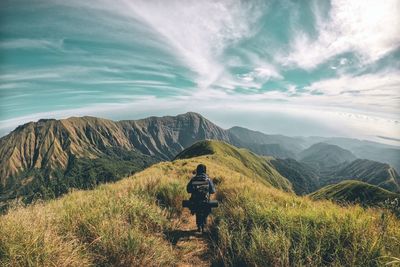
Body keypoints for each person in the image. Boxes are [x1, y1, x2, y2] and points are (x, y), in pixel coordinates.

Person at [186, 164, 216, 232]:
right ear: (205, 170)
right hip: (205, 201)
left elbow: (188, 190)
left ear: (197, 170)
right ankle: (204, 224)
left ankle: (198, 224)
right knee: (207, 209)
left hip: (195, 201)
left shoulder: (193, 179)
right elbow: (213, 191)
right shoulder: (208, 179)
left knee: (196, 209)